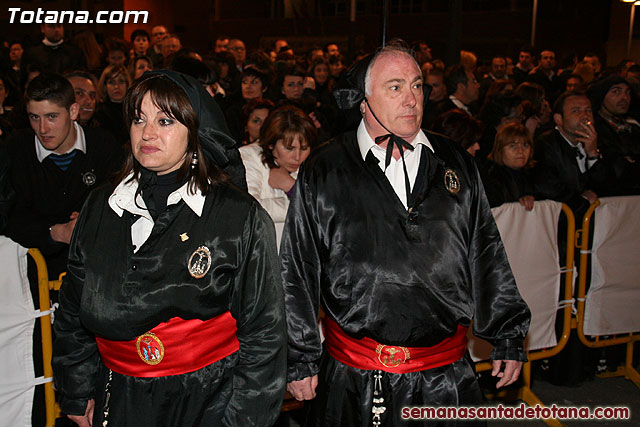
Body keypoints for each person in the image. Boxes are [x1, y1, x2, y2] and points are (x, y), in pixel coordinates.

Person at [282, 41, 530, 426]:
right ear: (363, 100)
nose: (411, 98)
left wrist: (508, 334)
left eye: (416, 86)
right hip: (354, 380)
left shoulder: (457, 163)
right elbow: (297, 270)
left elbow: (486, 253)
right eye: (395, 87)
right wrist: (299, 357)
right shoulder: (325, 170)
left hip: (445, 379)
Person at [52, 70, 285, 426]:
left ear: (195, 131)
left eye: (164, 120)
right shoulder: (101, 205)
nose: (147, 133)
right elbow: (72, 307)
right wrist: (76, 388)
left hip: (207, 400)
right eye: (138, 119)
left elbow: (265, 334)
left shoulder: (238, 216)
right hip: (118, 395)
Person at [4, 73, 121, 277]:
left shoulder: (104, 145)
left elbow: (123, 201)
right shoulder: (16, 149)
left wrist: (94, 218)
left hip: (97, 272)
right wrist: (57, 231)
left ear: (73, 111)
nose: (42, 129)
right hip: (32, 273)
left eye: (52, 117)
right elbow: (10, 215)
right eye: (34, 117)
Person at [239, 105, 316, 249]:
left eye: (304, 148)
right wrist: (301, 204)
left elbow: (324, 215)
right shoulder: (247, 157)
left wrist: (291, 187)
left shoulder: (313, 164)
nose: (297, 157)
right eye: (289, 148)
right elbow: (249, 211)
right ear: (270, 144)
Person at [481, 122, 535, 209]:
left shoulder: (533, 174)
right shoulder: (491, 177)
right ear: (500, 149)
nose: (521, 151)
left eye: (525, 145)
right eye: (513, 146)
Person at [95, 64, 132, 145]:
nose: (116, 86)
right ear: (105, 86)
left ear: (127, 85)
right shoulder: (98, 114)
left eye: (121, 81)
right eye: (111, 82)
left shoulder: (133, 110)